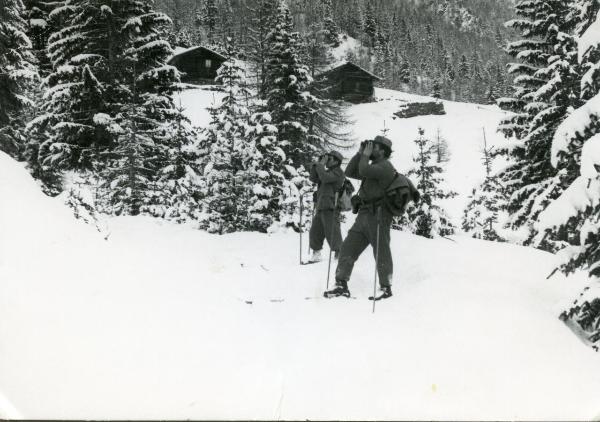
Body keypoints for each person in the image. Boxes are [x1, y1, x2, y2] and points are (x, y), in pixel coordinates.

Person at [324, 136, 396, 299]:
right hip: (363, 214)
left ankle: (386, 287)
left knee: (381, 251)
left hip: (379, 214)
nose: (371, 150)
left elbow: (363, 170)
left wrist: (364, 156)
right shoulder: (371, 166)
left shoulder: (385, 167)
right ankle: (341, 284)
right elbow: (350, 172)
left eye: (374, 147)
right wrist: (360, 153)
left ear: (383, 151)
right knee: (347, 248)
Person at [308, 150, 345, 263]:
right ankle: (316, 253)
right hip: (321, 204)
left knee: (332, 231)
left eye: (329, 159)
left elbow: (324, 178)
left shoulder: (338, 172)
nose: (327, 161)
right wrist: (316, 166)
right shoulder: (326, 171)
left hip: (331, 205)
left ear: (336, 161)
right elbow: (313, 178)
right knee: (315, 231)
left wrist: (320, 166)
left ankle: (340, 255)